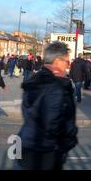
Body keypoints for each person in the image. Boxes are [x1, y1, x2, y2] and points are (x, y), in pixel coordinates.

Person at [16, 42, 78, 170]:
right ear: (58, 61)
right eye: (67, 62)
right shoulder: (55, 87)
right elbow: (53, 123)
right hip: (44, 152)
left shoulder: (36, 79)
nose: (68, 65)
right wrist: (69, 137)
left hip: (27, 143)